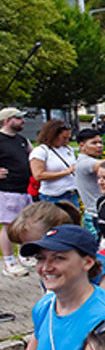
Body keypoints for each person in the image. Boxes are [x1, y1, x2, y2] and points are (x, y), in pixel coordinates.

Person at [0, 107, 34, 276]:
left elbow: (33, 155)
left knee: (24, 224)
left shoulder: (22, 140)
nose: (23, 121)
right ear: (7, 120)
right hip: (7, 189)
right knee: (8, 225)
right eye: (19, 118)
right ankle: (8, 261)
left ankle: (24, 255)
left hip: (24, 188)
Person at [29, 119, 79, 207]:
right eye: (64, 138)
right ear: (53, 135)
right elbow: (38, 175)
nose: (67, 141)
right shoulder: (41, 151)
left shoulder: (68, 149)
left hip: (71, 193)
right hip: (53, 196)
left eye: (68, 138)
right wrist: (66, 172)